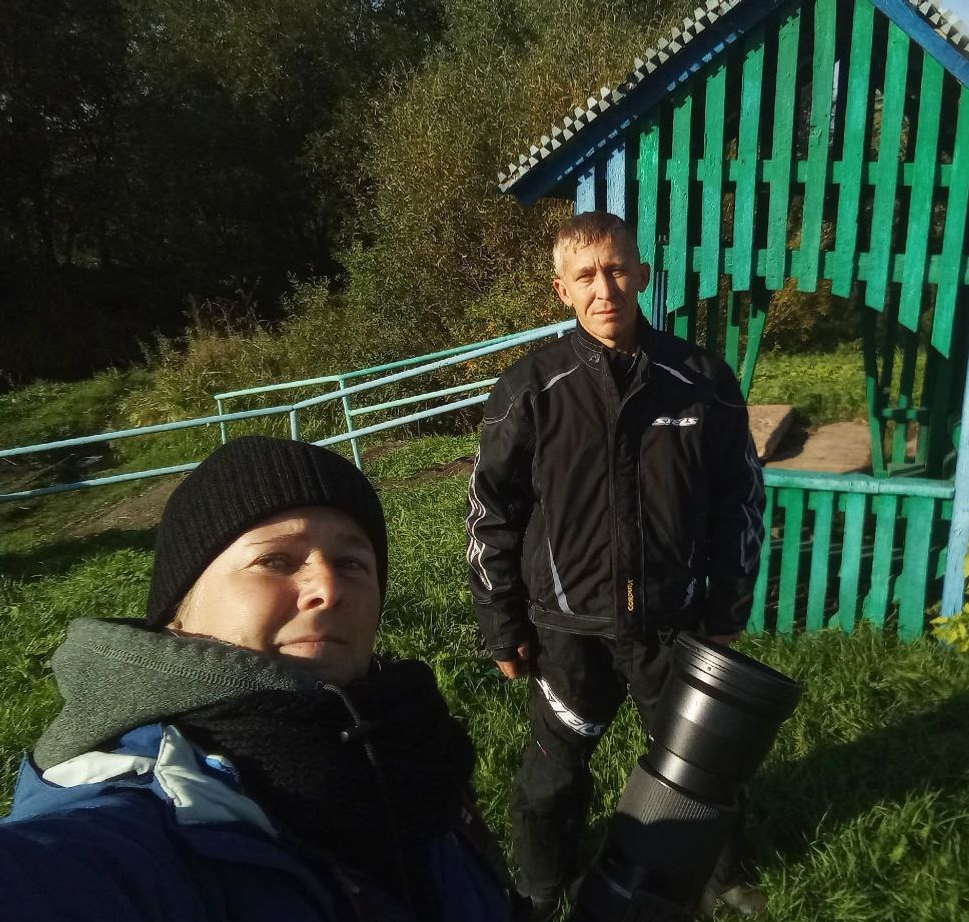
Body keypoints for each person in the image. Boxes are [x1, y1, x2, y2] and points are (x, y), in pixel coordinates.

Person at [0, 435, 517, 922]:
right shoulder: (129, 824)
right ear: (178, 608)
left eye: (352, 563)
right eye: (275, 560)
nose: (328, 587)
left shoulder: (415, 744)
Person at [466, 211, 766, 918]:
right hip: (567, 628)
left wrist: (727, 604)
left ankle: (721, 877)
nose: (604, 290)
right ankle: (543, 885)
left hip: (673, 622)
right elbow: (491, 513)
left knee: (700, 764)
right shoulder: (531, 388)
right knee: (553, 774)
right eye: (586, 276)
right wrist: (500, 622)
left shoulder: (701, 379)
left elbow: (741, 498)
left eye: (617, 270)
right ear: (561, 290)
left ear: (643, 274)